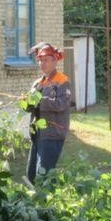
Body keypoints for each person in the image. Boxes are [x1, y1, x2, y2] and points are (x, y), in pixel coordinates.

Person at [25, 42, 71, 183]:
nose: (42, 63)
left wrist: (38, 101)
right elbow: (28, 108)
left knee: (43, 174)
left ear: (54, 61)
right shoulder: (37, 83)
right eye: (40, 60)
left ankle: (48, 202)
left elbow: (60, 104)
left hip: (52, 133)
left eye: (45, 60)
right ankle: (34, 201)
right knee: (31, 173)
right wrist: (25, 102)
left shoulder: (62, 81)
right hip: (37, 132)